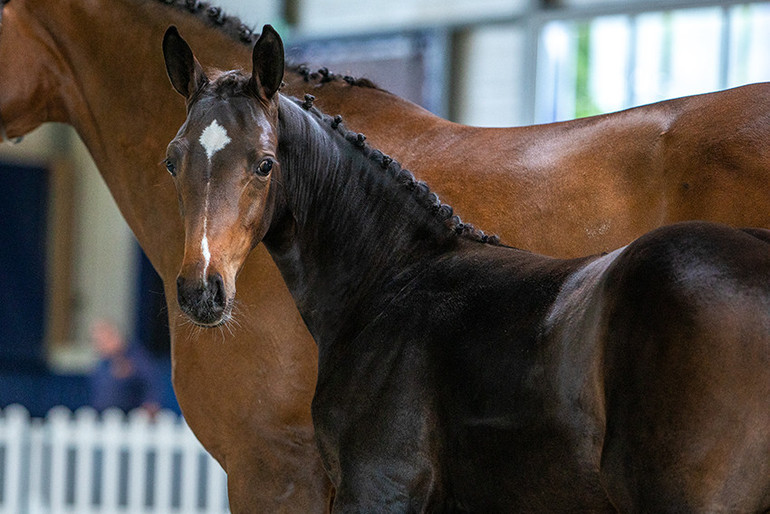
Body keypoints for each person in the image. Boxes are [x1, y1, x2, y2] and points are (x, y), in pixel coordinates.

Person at [88, 318, 163, 414]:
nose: (99, 345)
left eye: (103, 339)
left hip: (130, 419)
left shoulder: (137, 357)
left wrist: (151, 404)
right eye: (96, 341)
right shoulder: (101, 364)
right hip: (103, 417)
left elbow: (152, 382)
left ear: (115, 336)